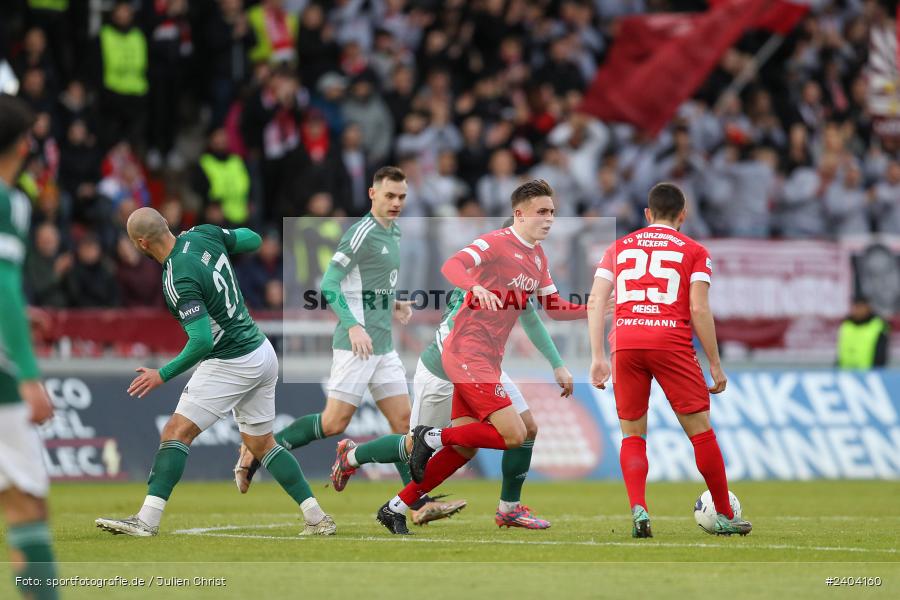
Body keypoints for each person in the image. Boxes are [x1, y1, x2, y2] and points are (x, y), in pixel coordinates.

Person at [95, 208, 334, 537]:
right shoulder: (201, 233)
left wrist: (161, 374)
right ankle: (317, 517)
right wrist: (224, 241)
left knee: (176, 432)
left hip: (231, 359)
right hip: (262, 351)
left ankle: (146, 520)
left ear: (140, 243)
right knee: (262, 443)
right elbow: (252, 239)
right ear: (167, 224)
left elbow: (202, 341)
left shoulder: (176, 276)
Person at [377, 179, 587, 535]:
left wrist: (596, 307)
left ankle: (395, 507)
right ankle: (428, 439)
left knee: (482, 443)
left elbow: (554, 309)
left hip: (487, 361)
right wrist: (473, 286)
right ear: (519, 215)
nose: (549, 219)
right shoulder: (495, 243)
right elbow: (452, 265)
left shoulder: (538, 258)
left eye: (552, 212)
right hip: (464, 355)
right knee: (513, 435)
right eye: (541, 212)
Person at [331, 269, 576, 528]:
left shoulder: (514, 275)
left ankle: (509, 509)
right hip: (444, 370)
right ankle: (352, 457)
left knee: (526, 429)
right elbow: (455, 326)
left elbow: (531, 318)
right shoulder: (488, 275)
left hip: (484, 365)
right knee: (414, 446)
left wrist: (557, 363)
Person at [587, 182, 752, 538]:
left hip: (626, 341)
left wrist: (598, 356)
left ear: (647, 214)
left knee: (632, 434)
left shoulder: (617, 247)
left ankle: (639, 509)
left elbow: (596, 301)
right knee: (700, 431)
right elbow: (697, 307)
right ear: (683, 214)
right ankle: (723, 513)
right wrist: (715, 362)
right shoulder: (694, 250)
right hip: (670, 341)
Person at [234, 167, 414, 491]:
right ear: (373, 194)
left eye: (401, 196)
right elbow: (330, 285)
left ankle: (415, 502)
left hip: (384, 346)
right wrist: (354, 327)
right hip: (356, 343)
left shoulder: (394, 232)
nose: (396, 202)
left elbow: (372, 284)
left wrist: (394, 303)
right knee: (333, 423)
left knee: (404, 423)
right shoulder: (360, 233)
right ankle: (256, 448)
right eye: (389, 195)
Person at [0, 95, 58, 599]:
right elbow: (3, 284)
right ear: (22, 144)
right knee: (27, 502)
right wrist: (28, 374)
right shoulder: (8, 200)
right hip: (3, 385)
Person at [836, 296, 889, 369]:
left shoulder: (878, 325)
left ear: (868, 308)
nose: (858, 310)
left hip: (869, 374)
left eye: (861, 307)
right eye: (856, 307)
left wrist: (877, 371)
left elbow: (881, 354)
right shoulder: (846, 325)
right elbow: (840, 351)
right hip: (845, 374)